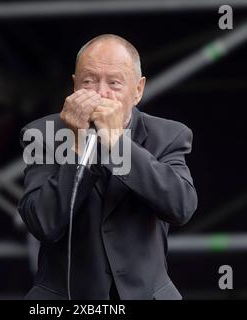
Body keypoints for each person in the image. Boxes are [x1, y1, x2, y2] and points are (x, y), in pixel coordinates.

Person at [18, 34, 198, 300]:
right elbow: (43, 222)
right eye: (88, 81)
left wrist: (117, 143)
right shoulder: (41, 133)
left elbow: (181, 206)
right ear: (74, 85)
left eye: (114, 83)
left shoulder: (168, 135)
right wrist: (78, 146)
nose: (101, 93)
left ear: (138, 90)